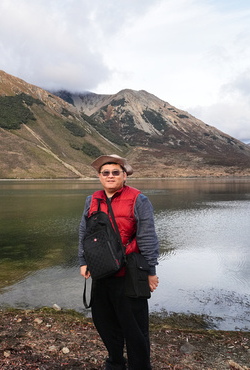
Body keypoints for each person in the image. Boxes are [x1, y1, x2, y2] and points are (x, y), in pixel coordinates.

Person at [79, 154, 160, 370]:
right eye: (106, 173)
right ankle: (115, 362)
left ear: (124, 175)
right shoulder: (92, 199)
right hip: (101, 272)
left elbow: (148, 237)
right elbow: (84, 233)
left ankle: (140, 366)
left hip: (129, 274)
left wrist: (150, 271)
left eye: (116, 172)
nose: (110, 176)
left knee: (135, 328)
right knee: (104, 323)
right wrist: (83, 261)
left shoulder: (138, 199)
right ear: (99, 177)